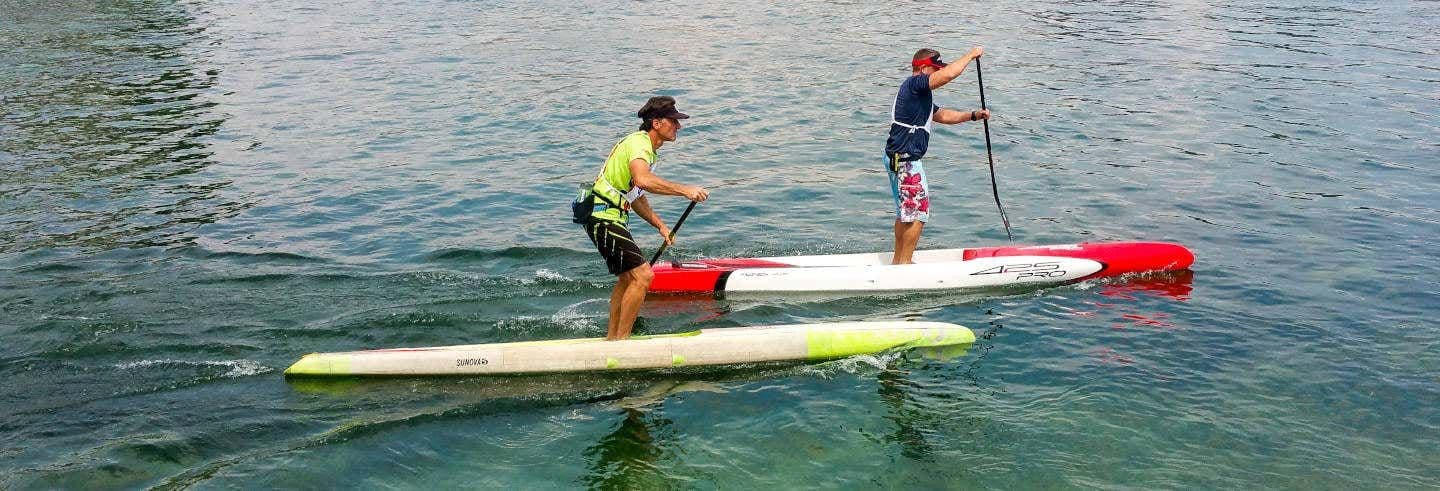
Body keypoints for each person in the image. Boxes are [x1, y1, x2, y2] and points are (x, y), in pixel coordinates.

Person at [579, 96, 708, 340]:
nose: (678, 126)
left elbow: (635, 195)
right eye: (673, 121)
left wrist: (660, 226)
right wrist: (685, 190)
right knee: (643, 275)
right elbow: (643, 180)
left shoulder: (646, 150)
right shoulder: (640, 145)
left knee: (628, 278)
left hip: (609, 216)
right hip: (602, 217)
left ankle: (612, 340)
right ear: (656, 123)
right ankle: (622, 342)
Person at [884, 46, 992, 264]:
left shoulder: (919, 96)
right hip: (906, 162)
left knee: (906, 214)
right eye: (934, 69)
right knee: (917, 215)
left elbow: (942, 115)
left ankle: (899, 262)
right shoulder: (914, 84)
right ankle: (903, 265)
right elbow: (949, 75)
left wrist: (972, 116)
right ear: (923, 68)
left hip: (900, 159)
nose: (936, 73)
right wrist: (970, 55)